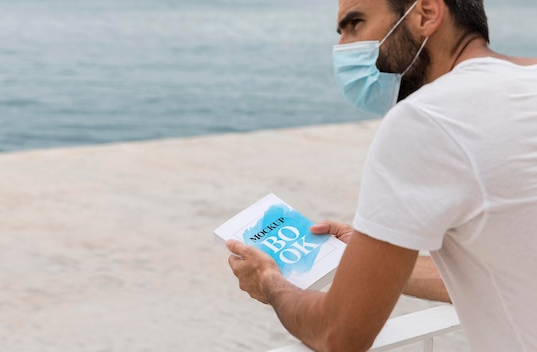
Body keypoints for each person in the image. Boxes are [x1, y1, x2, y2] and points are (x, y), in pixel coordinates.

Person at [225, 0, 537, 350]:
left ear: (426, 14)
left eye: (355, 24)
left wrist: (268, 281)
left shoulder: (423, 120)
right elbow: (510, 265)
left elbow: (339, 334)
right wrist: (363, 262)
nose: (343, 49)